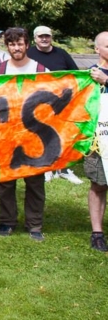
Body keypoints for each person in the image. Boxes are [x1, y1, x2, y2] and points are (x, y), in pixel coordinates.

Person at [0, 27, 49, 241]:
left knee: (35, 181)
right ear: (7, 46)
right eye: (12, 44)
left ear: (27, 45)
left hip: (34, 134)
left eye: (19, 44)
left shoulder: (40, 69)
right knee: (6, 181)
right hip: (7, 133)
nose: (16, 48)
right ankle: (7, 221)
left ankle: (34, 224)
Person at [86, 32, 108, 252]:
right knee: (99, 185)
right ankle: (97, 233)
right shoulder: (88, 76)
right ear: (97, 50)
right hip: (99, 140)